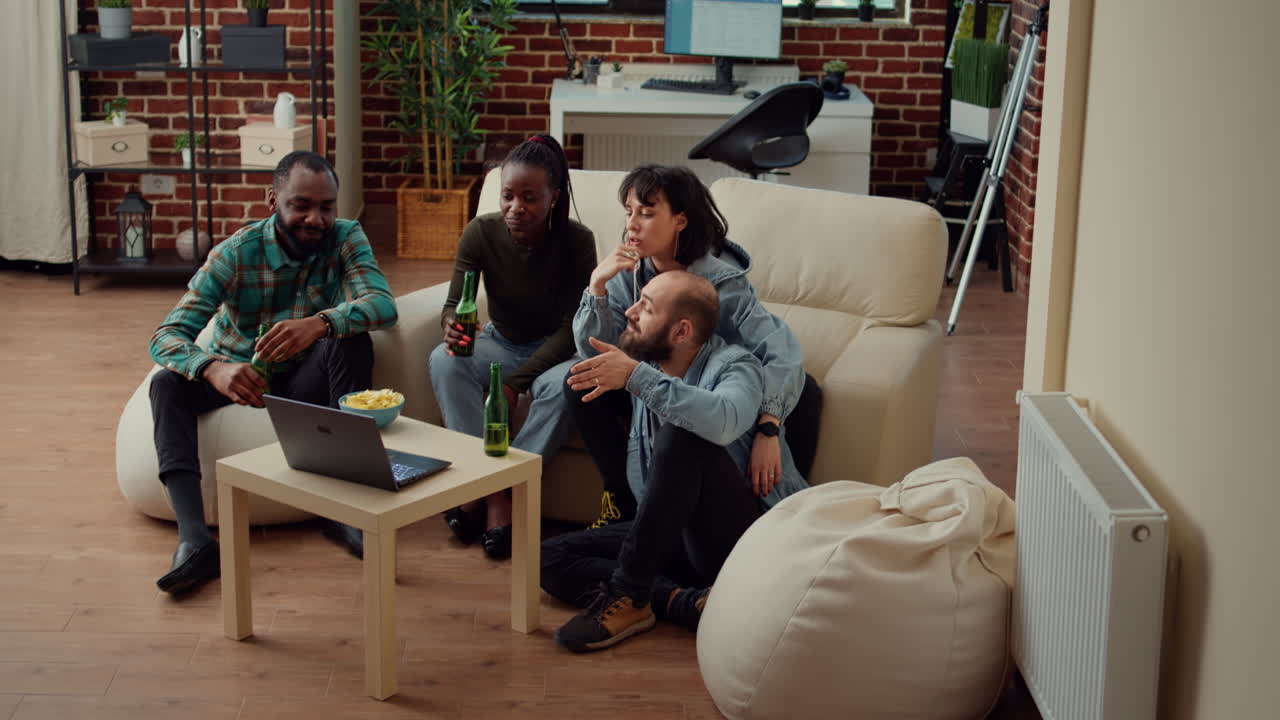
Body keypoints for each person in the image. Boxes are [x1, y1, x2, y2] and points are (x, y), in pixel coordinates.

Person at [148, 151, 397, 596]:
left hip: (303, 379)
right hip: (239, 376)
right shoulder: (233, 254)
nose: (315, 219)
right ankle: (194, 541)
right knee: (165, 385)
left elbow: (383, 305)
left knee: (352, 339)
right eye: (300, 205)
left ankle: (344, 509)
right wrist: (213, 368)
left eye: (326, 207)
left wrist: (320, 323)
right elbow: (166, 335)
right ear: (272, 200)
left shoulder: (346, 236)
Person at [542, 270, 807, 652]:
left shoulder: (736, 366)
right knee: (547, 557)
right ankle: (683, 602)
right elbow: (590, 354)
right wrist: (597, 287)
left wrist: (636, 377)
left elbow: (723, 418)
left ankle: (630, 594)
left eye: (645, 308)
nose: (630, 312)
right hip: (673, 534)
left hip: (741, 544)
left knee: (685, 433)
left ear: (681, 332)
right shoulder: (651, 362)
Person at [572, 164, 820, 528]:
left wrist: (769, 427)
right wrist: (597, 285)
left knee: (808, 390)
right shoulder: (631, 271)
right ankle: (620, 499)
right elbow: (595, 353)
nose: (632, 225)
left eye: (647, 212)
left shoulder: (722, 283)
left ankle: (780, 515)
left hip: (720, 394)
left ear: (680, 221)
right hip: (653, 383)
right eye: (629, 212)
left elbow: (779, 351)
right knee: (577, 380)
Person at [428, 134, 597, 560]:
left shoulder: (577, 242)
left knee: (565, 386)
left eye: (529, 197)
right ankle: (482, 486)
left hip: (558, 351)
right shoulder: (480, 233)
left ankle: (502, 490)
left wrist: (516, 383)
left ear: (553, 197)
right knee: (444, 360)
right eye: (507, 196)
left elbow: (571, 328)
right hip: (500, 342)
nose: (515, 208)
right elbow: (453, 305)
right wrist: (452, 326)